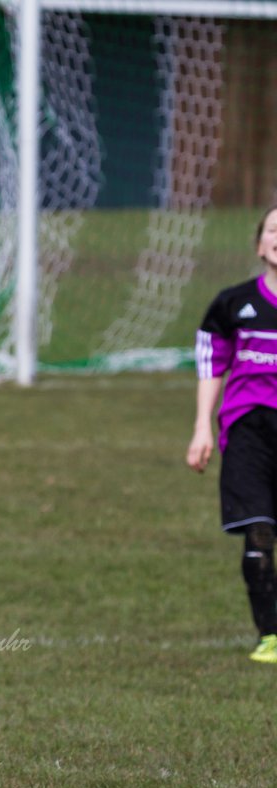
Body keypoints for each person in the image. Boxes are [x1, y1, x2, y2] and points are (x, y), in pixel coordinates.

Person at [187, 203, 277, 663]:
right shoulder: (232, 304)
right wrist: (203, 426)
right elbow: (211, 365)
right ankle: (270, 635)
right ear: (260, 244)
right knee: (258, 529)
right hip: (247, 430)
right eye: (273, 229)